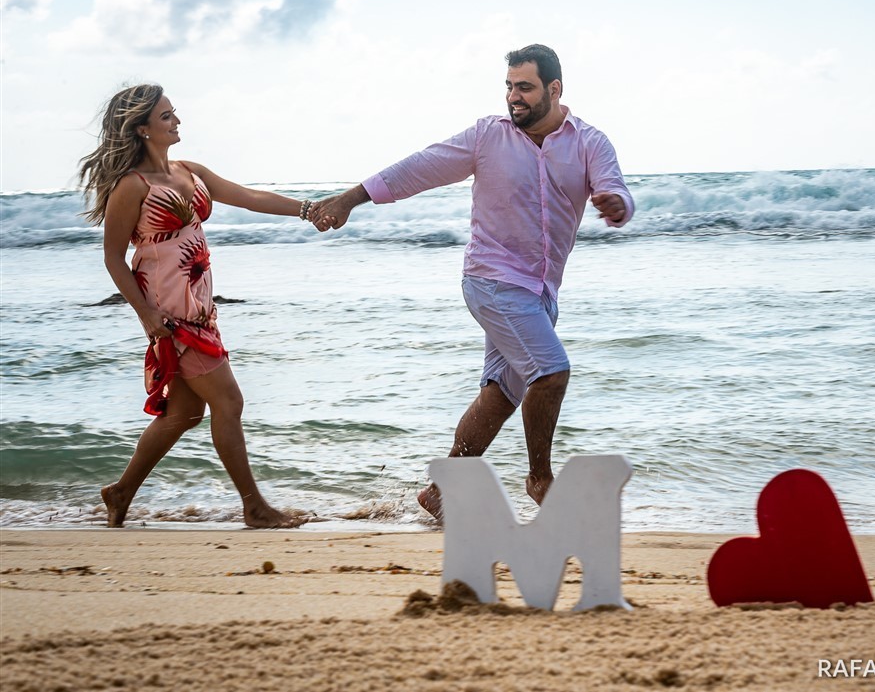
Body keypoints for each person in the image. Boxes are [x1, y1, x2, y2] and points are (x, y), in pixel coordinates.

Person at [312, 44, 634, 521]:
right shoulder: (488, 136)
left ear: (554, 88)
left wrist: (614, 203)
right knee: (551, 371)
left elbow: (616, 188)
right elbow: (420, 167)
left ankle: (441, 492)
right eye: (508, 87)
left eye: (524, 87)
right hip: (491, 278)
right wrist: (350, 198)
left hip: (541, 291)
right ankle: (540, 480)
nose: (514, 97)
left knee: (503, 392)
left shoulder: (589, 141)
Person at [78, 84, 325, 528]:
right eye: (167, 116)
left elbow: (251, 197)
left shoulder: (190, 171)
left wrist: (309, 209)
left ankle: (120, 492)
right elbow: (113, 257)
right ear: (141, 128)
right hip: (168, 306)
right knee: (228, 401)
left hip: (200, 303)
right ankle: (255, 507)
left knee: (186, 413)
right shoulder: (131, 187)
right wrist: (147, 315)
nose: (176, 122)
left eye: (174, 113)